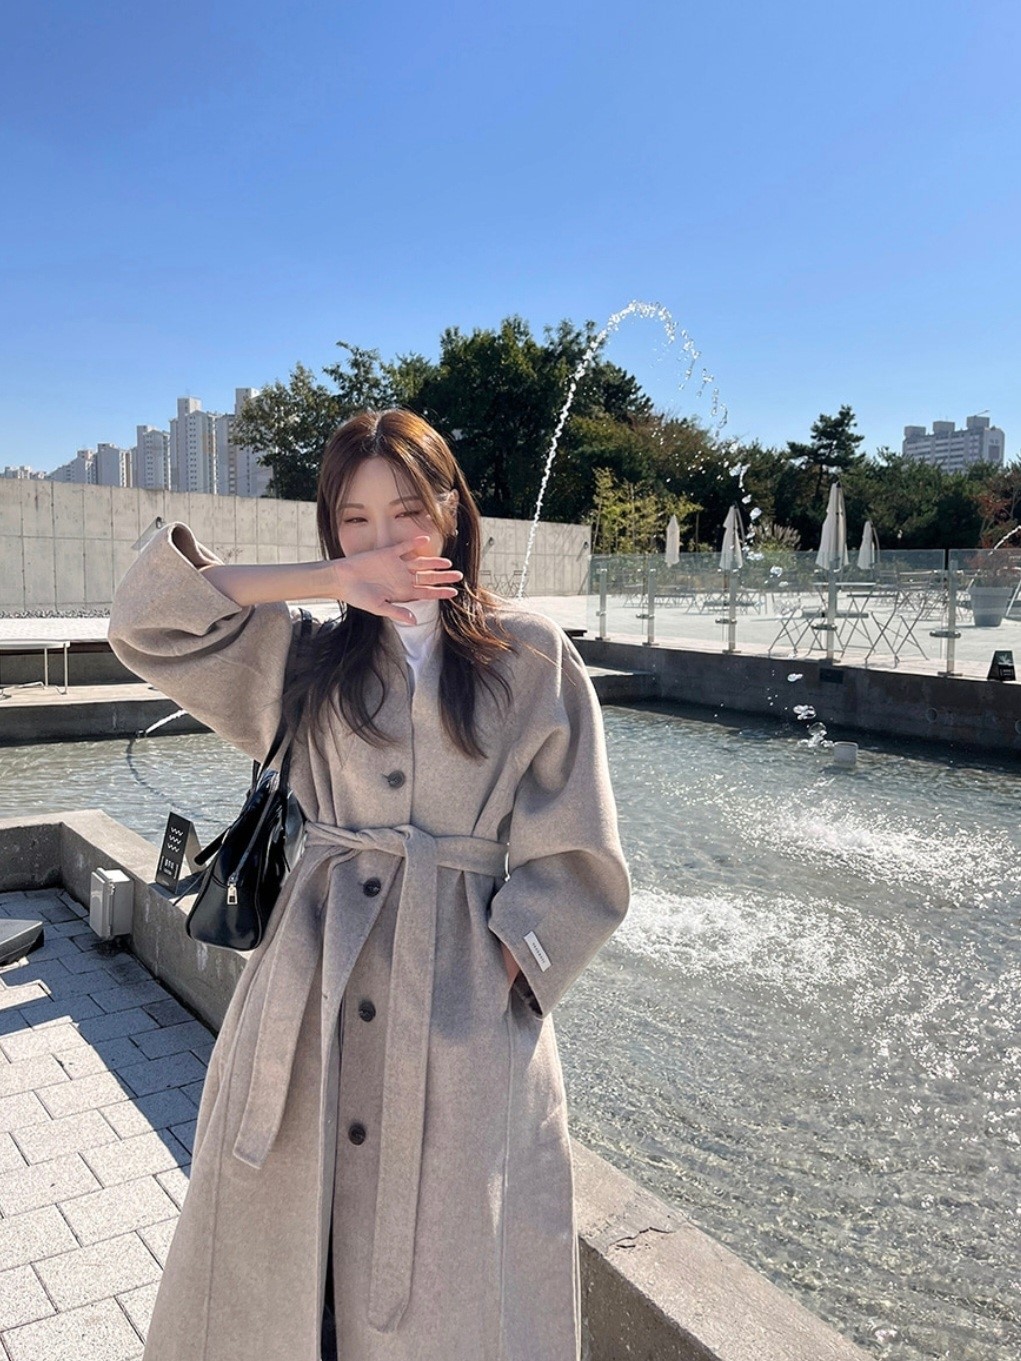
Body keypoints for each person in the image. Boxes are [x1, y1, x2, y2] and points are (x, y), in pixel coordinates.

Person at [107, 409, 631, 1361]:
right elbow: (145, 618)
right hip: (305, 998)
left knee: (449, 1285)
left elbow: (578, 856)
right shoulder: (307, 655)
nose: (384, 539)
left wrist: (507, 965)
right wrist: (329, 581)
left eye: (408, 510)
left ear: (452, 512)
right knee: (281, 1272)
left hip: (462, 1012)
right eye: (354, 519)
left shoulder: (528, 654)